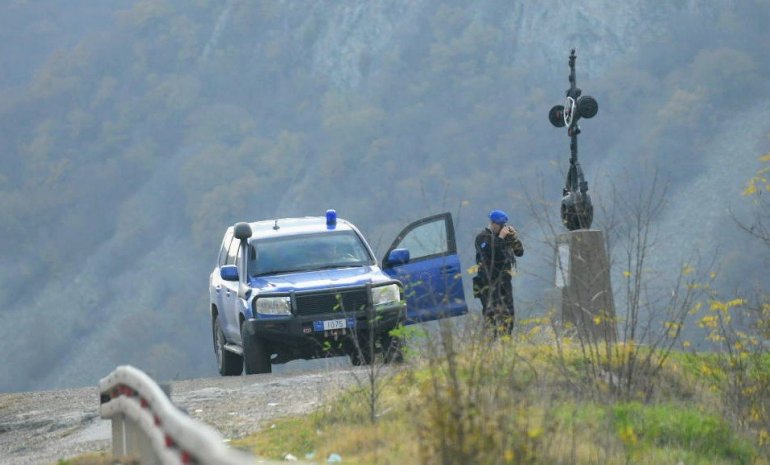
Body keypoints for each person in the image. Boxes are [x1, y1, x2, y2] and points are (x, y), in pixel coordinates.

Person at [473, 209, 524, 336]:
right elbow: (490, 253)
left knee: (508, 312)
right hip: (487, 282)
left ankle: (506, 339)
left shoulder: (504, 238)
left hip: (504, 282)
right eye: (500, 225)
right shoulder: (482, 237)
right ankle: (491, 341)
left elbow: (519, 252)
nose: (502, 228)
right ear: (493, 224)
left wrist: (514, 238)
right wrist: (500, 238)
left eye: (504, 225)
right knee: (490, 314)